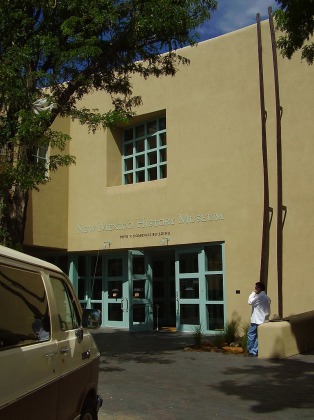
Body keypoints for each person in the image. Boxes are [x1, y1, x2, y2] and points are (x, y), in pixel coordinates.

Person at [247, 282, 271, 356]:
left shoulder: (260, 297)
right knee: (257, 336)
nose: (255, 289)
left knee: (251, 334)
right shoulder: (267, 297)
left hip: (257, 319)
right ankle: (253, 350)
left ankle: (252, 350)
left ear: (259, 288)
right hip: (262, 319)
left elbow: (250, 301)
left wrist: (253, 293)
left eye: (256, 288)